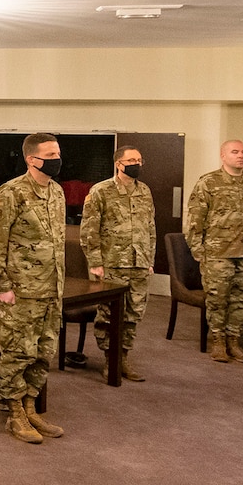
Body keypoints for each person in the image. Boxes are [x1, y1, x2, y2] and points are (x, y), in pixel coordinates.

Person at [0, 133, 68, 444]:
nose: (57, 158)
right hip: (21, 290)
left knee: (43, 353)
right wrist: (1, 286)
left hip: (50, 289)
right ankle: (15, 413)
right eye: (50, 154)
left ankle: (30, 406)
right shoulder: (12, 192)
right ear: (32, 159)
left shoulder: (56, 192)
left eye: (58, 152)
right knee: (17, 353)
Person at [184, 140, 243, 366]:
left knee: (242, 299)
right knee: (218, 298)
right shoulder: (208, 182)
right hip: (218, 252)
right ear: (223, 155)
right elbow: (194, 219)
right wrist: (198, 250)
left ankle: (234, 341)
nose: (240, 156)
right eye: (235, 152)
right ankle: (218, 342)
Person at [80, 145, 156, 382]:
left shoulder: (144, 191)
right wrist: (95, 262)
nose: (136, 163)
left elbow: (150, 228)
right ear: (118, 164)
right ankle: (109, 359)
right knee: (109, 314)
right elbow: (89, 230)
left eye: (139, 159)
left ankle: (123, 357)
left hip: (139, 263)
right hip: (112, 263)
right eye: (131, 160)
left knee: (134, 313)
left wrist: (149, 259)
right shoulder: (100, 191)